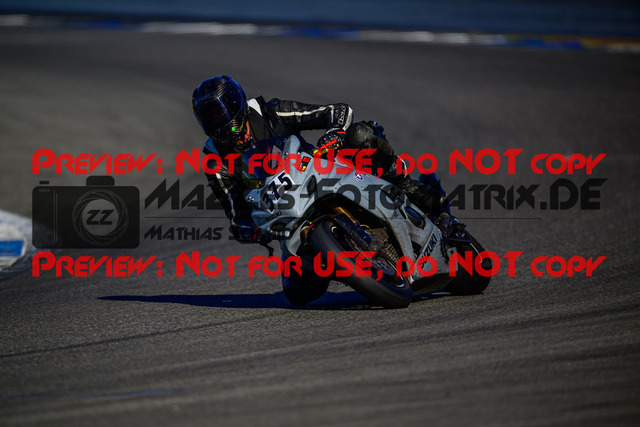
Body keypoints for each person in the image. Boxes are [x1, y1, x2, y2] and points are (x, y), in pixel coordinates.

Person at [192, 75, 451, 305]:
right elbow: (235, 213)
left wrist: (335, 132)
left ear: (236, 104)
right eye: (208, 119)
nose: (216, 123)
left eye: (219, 113)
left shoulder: (269, 112)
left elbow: (337, 110)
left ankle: (411, 189)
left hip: (322, 171)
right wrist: (249, 229)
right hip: (288, 213)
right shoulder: (214, 160)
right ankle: (347, 260)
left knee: (361, 135)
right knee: (297, 293)